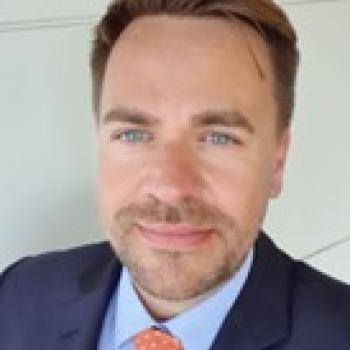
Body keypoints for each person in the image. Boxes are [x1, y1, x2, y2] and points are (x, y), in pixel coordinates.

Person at [1, 0, 349, 349]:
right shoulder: (18, 294)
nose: (170, 188)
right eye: (133, 134)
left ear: (277, 161)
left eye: (219, 138)